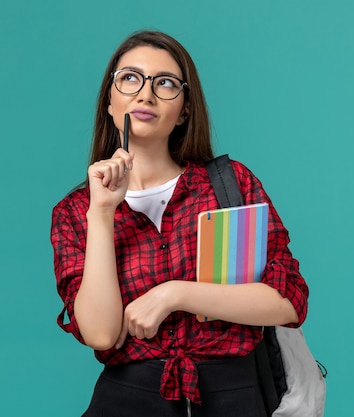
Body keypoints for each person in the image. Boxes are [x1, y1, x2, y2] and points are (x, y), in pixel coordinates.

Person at [50, 30, 308, 417]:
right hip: (129, 400)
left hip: (235, 397)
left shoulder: (230, 185)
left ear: (185, 110)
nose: (146, 94)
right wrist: (102, 212)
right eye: (130, 78)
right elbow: (100, 333)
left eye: (166, 83)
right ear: (109, 99)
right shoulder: (75, 212)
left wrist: (173, 294)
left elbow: (289, 301)